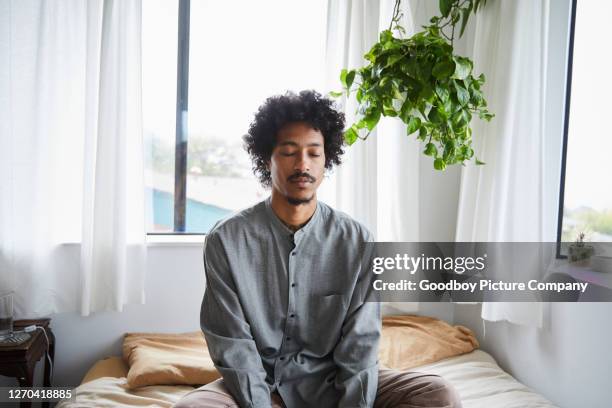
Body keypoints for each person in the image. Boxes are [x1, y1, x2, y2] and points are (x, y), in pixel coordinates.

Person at [174, 90, 461, 408]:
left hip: (336, 384)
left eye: (314, 153)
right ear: (266, 158)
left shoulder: (357, 240)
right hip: (260, 387)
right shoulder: (226, 240)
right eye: (289, 152)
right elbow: (232, 344)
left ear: (327, 160)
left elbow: (360, 345)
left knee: (438, 394)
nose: (302, 164)